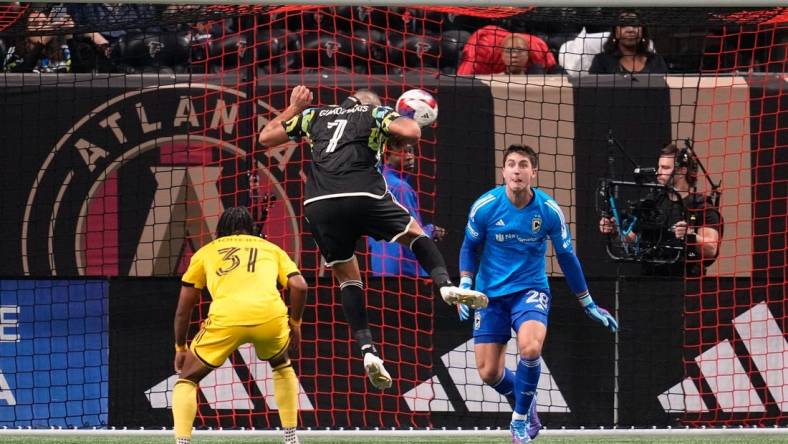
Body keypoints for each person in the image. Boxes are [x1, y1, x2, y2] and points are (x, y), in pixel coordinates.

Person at [258, 86, 487, 390]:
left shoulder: (313, 115)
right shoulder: (373, 112)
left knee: (347, 278)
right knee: (415, 234)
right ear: (369, 104)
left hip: (319, 205)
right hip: (363, 192)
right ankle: (445, 286)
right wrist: (407, 116)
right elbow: (411, 132)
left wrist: (293, 107)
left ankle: (367, 350)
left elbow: (265, 138)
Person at [457, 145, 618, 443]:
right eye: (511, 164)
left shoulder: (548, 210)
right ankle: (526, 403)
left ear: (534, 172)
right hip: (490, 295)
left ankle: (518, 420)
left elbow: (568, 258)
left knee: (530, 348)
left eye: (523, 165)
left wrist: (588, 302)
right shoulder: (485, 206)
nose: (517, 170)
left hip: (530, 291)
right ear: (503, 171)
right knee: (489, 373)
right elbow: (469, 247)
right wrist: (466, 284)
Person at [172, 206, 307, 444]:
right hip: (270, 317)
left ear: (220, 230)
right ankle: (291, 437)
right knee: (281, 363)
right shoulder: (272, 249)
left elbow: (184, 310)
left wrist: (180, 347)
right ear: (252, 228)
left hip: (227, 318)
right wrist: (295, 323)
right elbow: (299, 286)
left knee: (187, 379)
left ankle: (182, 442)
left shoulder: (205, 252)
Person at [599, 143, 722, 276]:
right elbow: (630, 241)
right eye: (659, 166)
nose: (658, 172)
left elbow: (711, 249)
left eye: (665, 168)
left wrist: (690, 235)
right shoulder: (653, 202)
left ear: (682, 171)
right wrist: (614, 231)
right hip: (650, 278)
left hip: (687, 280)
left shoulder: (701, 207)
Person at [367, 139, 446, 277]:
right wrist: (432, 231)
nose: (409, 157)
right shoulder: (401, 188)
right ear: (387, 157)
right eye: (402, 152)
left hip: (380, 271)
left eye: (410, 151)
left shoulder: (375, 184)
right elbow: (412, 232)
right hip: (406, 271)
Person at [456, 25, 558, 75]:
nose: (514, 55)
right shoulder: (492, 78)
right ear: (502, 55)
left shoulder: (539, 74)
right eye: (509, 51)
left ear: (528, 54)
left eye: (519, 50)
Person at [588, 11, 668, 74]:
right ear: (615, 32)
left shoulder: (657, 61)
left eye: (635, 25)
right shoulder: (601, 61)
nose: (630, 30)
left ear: (643, 32)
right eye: (623, 25)